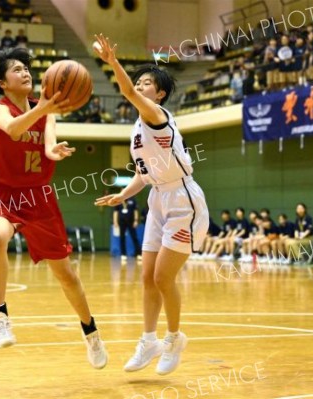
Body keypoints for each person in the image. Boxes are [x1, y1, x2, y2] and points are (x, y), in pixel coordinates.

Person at [0, 47, 107, 368]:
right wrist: (45, 107)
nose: (26, 73)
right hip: (2, 195)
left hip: (39, 198)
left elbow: (48, 145)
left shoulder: (44, 111)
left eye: (27, 68)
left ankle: (91, 332)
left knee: (67, 276)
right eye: (17, 70)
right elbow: (13, 128)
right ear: (2, 83)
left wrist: (54, 151)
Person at [94, 34, 209, 375]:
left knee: (162, 278)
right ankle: (149, 341)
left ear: (159, 94)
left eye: (148, 83)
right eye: (139, 81)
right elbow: (144, 174)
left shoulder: (156, 114)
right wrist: (122, 195)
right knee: (147, 277)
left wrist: (112, 61)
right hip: (157, 198)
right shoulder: (137, 128)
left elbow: (127, 92)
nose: (141, 86)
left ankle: (174, 338)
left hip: (183, 200)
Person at [113, 196, 142, 264]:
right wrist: (115, 221)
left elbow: (135, 210)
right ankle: (123, 254)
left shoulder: (132, 200)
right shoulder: (118, 200)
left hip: (131, 222)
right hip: (122, 222)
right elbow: (116, 212)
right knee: (122, 238)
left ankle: (139, 254)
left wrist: (136, 220)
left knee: (134, 237)